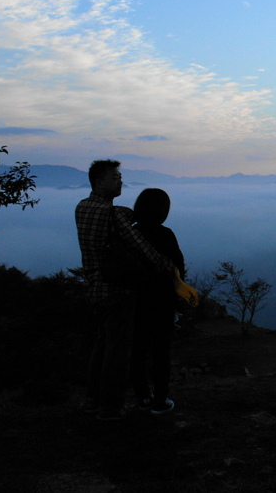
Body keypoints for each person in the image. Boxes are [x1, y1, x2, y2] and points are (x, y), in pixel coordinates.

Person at [75, 160, 173, 420]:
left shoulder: (82, 207)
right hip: (116, 290)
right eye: (115, 177)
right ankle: (111, 408)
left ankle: (91, 401)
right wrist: (166, 266)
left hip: (93, 289)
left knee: (102, 346)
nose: (120, 181)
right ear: (99, 182)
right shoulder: (114, 214)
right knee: (117, 353)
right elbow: (141, 247)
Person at [129, 188, 184, 416]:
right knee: (161, 352)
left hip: (135, 301)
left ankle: (142, 397)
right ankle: (160, 400)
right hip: (162, 302)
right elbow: (178, 270)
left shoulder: (131, 234)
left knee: (138, 351)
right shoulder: (166, 234)